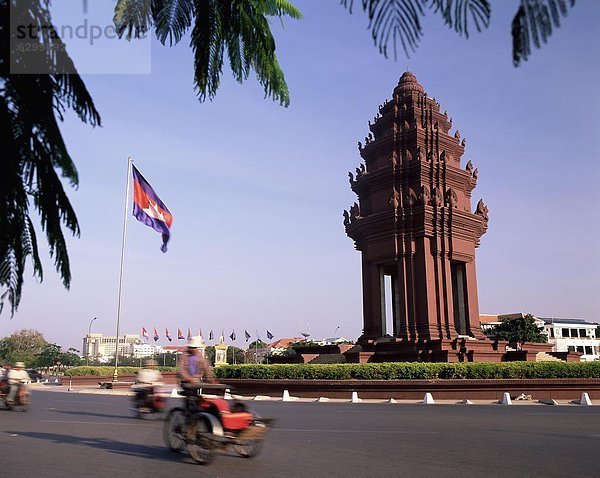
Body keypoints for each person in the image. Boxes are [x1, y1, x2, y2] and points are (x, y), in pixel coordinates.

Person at [178, 336, 215, 400]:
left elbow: (205, 367)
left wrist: (210, 378)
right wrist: (189, 379)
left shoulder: (199, 355)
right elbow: (181, 370)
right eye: (192, 348)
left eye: (195, 348)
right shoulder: (184, 355)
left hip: (196, 381)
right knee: (190, 395)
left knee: (197, 398)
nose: (193, 349)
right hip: (185, 381)